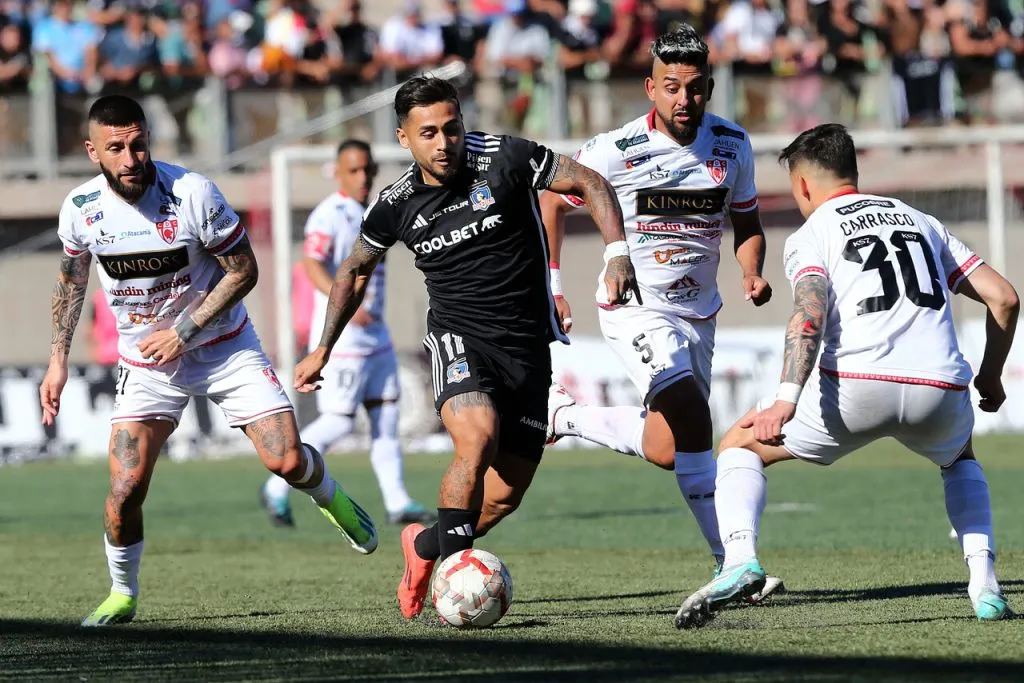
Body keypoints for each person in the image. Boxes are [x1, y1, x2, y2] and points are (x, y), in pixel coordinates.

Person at [293, 76, 640, 620]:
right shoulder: (395, 205)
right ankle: (454, 584)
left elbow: (591, 182)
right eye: (428, 132)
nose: (444, 142)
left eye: (452, 127)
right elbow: (354, 270)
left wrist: (616, 253)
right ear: (404, 138)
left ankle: (425, 546)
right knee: (475, 439)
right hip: (458, 337)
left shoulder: (507, 157)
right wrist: (322, 348)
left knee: (502, 497)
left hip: (526, 345)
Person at [41, 95, 377, 628]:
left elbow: (244, 270)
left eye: (138, 143)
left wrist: (185, 329)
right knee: (125, 489)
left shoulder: (192, 193)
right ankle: (122, 593)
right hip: (146, 362)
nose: (131, 158)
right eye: (116, 148)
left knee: (286, 461)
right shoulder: (81, 209)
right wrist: (57, 359)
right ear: (92, 152)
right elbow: (72, 280)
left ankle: (333, 499)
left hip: (223, 346)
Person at [674, 123, 1018, 629]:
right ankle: (985, 585)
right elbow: (1004, 296)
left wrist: (785, 401)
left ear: (804, 186)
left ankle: (742, 559)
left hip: (855, 386)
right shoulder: (919, 220)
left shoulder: (813, 233)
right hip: (940, 388)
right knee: (960, 456)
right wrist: (990, 377)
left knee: (741, 446)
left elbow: (808, 313)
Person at [541, 25, 782, 601]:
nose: (683, 100)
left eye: (694, 88)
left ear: (709, 88)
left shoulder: (732, 145)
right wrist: (553, 282)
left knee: (668, 447)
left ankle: (564, 418)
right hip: (634, 309)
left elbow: (746, 224)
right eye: (671, 86)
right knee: (690, 410)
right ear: (651, 87)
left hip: (698, 313)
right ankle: (733, 563)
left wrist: (751, 270)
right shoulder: (614, 151)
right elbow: (551, 197)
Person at [260, 140, 435, 528]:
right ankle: (276, 487)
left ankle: (397, 502)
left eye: (367, 170)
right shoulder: (329, 214)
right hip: (344, 340)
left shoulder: (373, 209)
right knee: (338, 421)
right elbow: (310, 262)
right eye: (353, 170)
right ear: (338, 173)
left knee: (386, 420)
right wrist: (342, 302)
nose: (362, 177)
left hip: (377, 336)